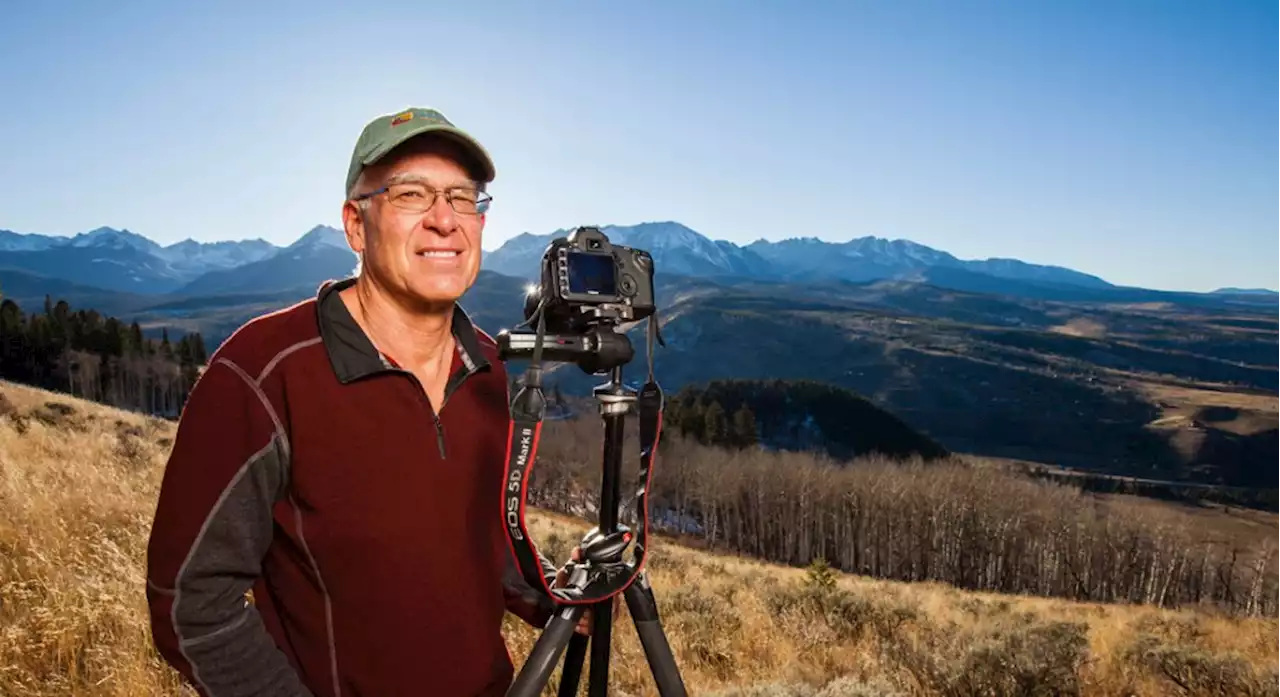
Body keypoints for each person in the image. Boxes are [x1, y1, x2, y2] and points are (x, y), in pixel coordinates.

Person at [145, 107, 596, 697]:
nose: (445, 221)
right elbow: (191, 604)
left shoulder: (486, 367)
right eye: (412, 194)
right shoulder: (262, 372)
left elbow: (471, 536)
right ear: (355, 226)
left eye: (464, 198)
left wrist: (545, 598)